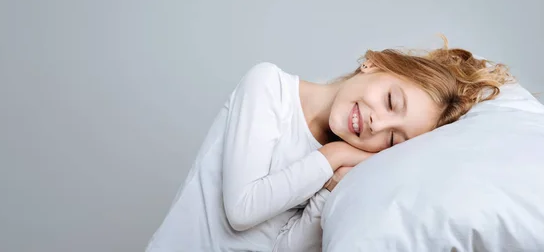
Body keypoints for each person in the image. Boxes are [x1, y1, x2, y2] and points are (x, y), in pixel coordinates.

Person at [146, 40, 511, 252]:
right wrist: (332, 156)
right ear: (374, 64)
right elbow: (242, 211)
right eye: (390, 101)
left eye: (393, 139)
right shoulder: (269, 87)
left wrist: (329, 191)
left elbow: (282, 248)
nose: (377, 124)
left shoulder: (347, 168)